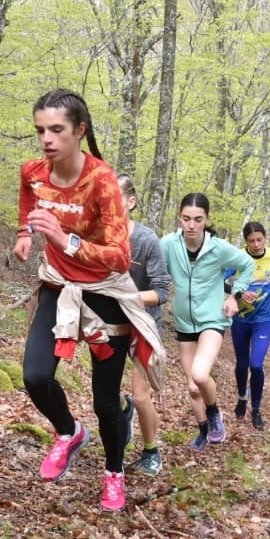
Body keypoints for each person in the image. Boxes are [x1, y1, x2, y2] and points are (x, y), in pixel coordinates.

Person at [12, 89, 164, 513]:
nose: (47, 139)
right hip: (58, 286)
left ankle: (113, 473)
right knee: (35, 376)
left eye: (57, 130)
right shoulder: (34, 171)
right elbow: (29, 194)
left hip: (104, 296)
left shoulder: (101, 182)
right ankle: (68, 432)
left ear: (79, 131)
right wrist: (25, 233)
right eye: (41, 130)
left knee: (105, 399)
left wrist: (64, 238)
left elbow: (121, 255)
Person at [158, 193, 255, 453]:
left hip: (212, 318)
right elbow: (153, 267)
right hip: (184, 321)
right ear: (179, 217)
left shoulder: (218, 247)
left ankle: (214, 413)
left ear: (206, 220)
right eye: (186, 219)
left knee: (200, 375)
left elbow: (247, 265)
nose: (191, 225)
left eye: (197, 219)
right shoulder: (168, 244)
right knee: (192, 387)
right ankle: (203, 429)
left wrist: (235, 296)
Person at [116, 173, 170, 475]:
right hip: (108, 324)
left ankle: (151, 450)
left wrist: (127, 297)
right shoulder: (97, 235)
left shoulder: (146, 239)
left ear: (131, 202)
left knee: (139, 395)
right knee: (105, 394)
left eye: (116, 196)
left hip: (143, 325)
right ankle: (121, 422)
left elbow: (162, 291)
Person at [225, 220, 270, 430]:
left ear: (265, 238)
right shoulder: (237, 258)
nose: (256, 244)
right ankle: (242, 397)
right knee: (242, 364)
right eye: (251, 241)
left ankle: (257, 408)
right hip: (241, 319)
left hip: (264, 319)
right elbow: (220, 280)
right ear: (246, 241)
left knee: (256, 364)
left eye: (259, 239)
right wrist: (240, 293)